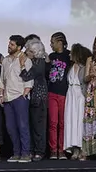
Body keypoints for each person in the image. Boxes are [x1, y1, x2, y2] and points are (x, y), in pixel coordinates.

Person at [0, 35, 33, 163]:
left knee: (23, 126)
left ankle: (25, 153)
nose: (9, 46)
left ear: (19, 47)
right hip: (7, 98)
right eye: (9, 44)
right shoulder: (6, 60)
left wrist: (25, 93)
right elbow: (2, 79)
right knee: (10, 127)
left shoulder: (25, 60)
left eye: (12, 44)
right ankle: (16, 153)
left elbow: (29, 79)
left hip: (19, 97)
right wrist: (1, 94)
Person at [21, 38, 48, 161]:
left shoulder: (39, 62)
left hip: (39, 97)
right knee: (31, 125)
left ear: (35, 52)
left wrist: (21, 66)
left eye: (29, 50)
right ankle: (32, 150)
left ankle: (39, 151)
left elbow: (27, 76)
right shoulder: (33, 61)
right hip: (32, 98)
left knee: (38, 126)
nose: (26, 52)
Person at [64, 43, 91, 160]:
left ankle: (82, 149)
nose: (69, 54)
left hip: (79, 95)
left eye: (72, 52)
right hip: (70, 95)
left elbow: (85, 83)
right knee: (71, 121)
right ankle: (74, 149)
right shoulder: (70, 67)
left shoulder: (84, 67)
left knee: (80, 122)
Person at [47, 31, 71, 160]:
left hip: (64, 93)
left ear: (60, 42)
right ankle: (53, 149)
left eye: (53, 42)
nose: (51, 44)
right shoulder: (51, 56)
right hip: (52, 92)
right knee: (53, 122)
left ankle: (61, 150)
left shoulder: (69, 55)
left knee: (62, 123)